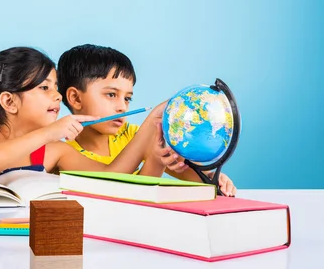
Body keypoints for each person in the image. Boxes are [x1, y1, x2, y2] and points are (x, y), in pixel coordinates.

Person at [0, 46, 181, 178]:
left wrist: (152, 139)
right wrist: (48, 133)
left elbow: (112, 180)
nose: (57, 95)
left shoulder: (57, 151)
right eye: (44, 88)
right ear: (9, 102)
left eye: (55, 87)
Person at [57, 44, 237, 196]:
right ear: (76, 98)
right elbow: (117, 191)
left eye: (127, 98)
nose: (122, 107)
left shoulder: (131, 134)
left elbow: (189, 174)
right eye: (111, 94)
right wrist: (151, 126)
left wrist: (214, 178)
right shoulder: (64, 152)